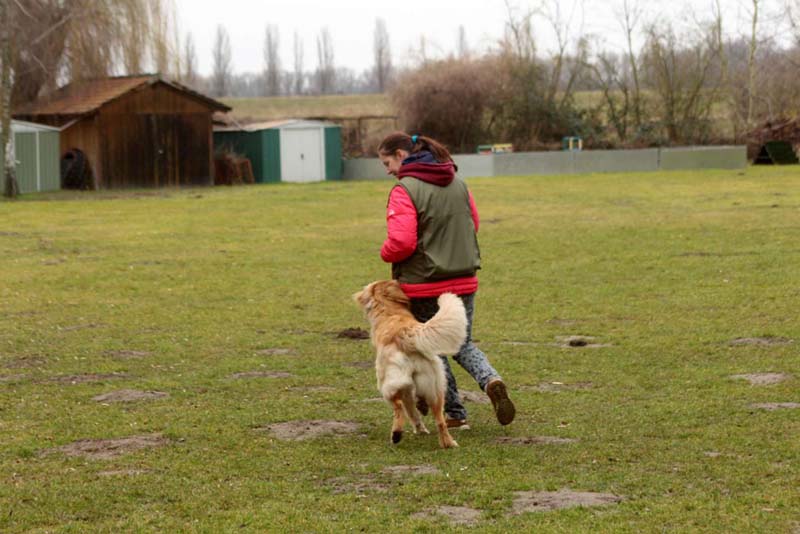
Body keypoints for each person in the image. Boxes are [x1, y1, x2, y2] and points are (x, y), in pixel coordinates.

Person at [377, 131, 515, 428]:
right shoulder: (458, 183)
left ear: (401, 155)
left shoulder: (405, 189)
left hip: (424, 283)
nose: (387, 170)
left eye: (387, 162)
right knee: (462, 342)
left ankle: (454, 413)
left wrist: (385, 251)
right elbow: (473, 223)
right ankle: (490, 379)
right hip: (464, 277)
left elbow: (401, 242)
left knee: (434, 347)